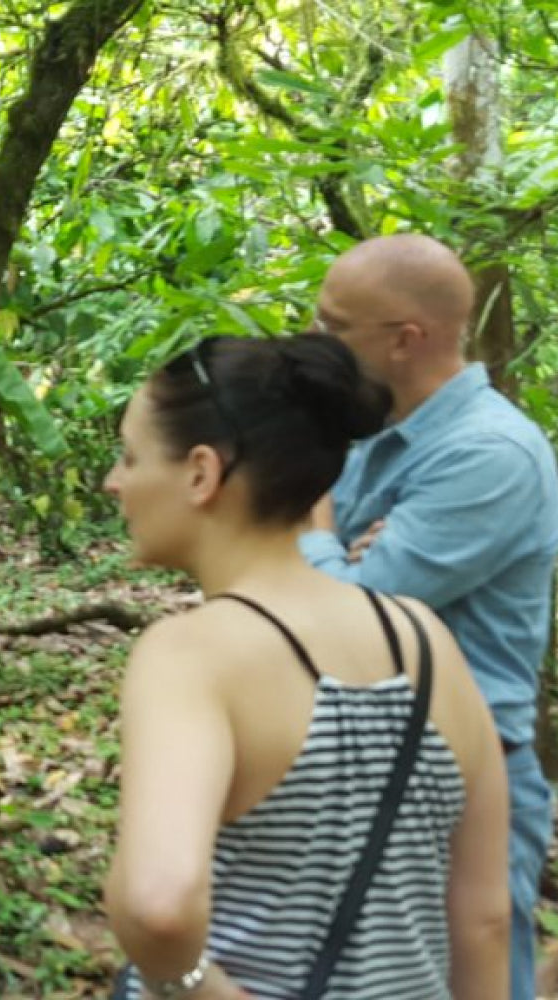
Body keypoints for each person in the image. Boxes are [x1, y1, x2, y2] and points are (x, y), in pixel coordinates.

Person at [103, 334, 510, 998]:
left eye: (130, 456)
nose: (114, 481)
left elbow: (159, 904)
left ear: (202, 473)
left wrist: (187, 983)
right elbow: (486, 919)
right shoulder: (426, 641)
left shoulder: (191, 656)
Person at [300, 234, 558, 999]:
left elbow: (349, 613)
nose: (314, 338)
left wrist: (315, 530)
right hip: (370, 761)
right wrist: (342, 558)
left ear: (405, 340)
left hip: (466, 775)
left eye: (331, 324)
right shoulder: (370, 432)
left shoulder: (488, 454)